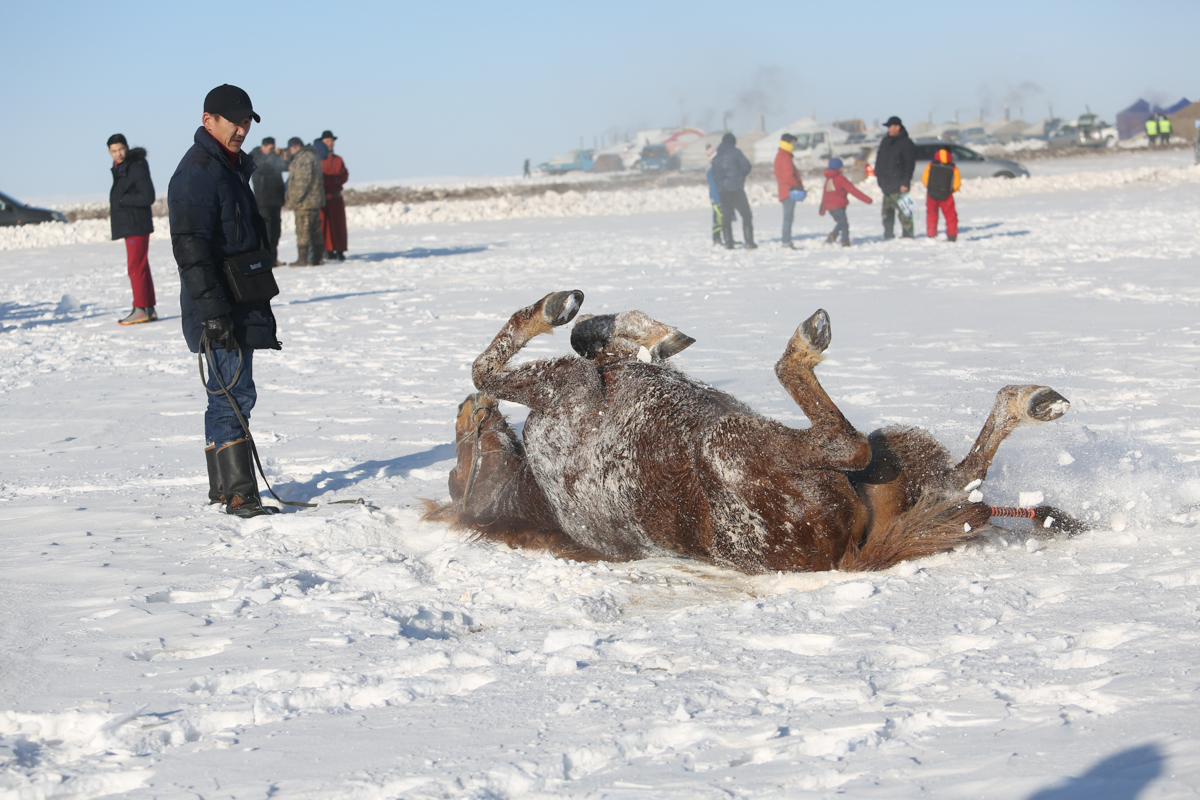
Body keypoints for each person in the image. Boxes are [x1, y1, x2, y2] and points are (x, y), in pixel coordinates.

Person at [168, 84, 279, 518]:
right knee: (233, 394)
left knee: (228, 393)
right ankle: (239, 493)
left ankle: (225, 489)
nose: (242, 128)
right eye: (234, 120)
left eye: (247, 120)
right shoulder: (198, 172)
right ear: (207, 120)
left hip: (239, 298)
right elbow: (190, 249)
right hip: (219, 304)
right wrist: (212, 311)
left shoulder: (228, 167)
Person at [107, 133, 157, 325]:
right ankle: (148, 308)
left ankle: (140, 309)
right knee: (140, 265)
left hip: (136, 224)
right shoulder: (121, 169)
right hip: (132, 224)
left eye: (121, 148)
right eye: (114, 151)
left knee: (135, 267)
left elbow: (148, 196)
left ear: (127, 147)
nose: (118, 153)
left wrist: (122, 200)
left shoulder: (136, 166)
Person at [874, 116, 917, 239]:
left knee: (905, 214)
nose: (889, 129)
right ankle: (888, 235)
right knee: (886, 215)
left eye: (891, 127)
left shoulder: (906, 143)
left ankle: (908, 236)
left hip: (899, 186)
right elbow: (879, 160)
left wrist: (905, 182)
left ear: (898, 127)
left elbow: (909, 165)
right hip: (886, 184)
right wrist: (879, 176)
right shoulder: (885, 141)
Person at [285, 136, 325, 266]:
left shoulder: (303, 158)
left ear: (296, 147)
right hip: (313, 201)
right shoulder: (312, 156)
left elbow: (302, 183)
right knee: (315, 231)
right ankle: (317, 259)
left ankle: (302, 259)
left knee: (303, 231)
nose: (290, 152)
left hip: (304, 203)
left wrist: (294, 200)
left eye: (290, 149)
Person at [712, 132, 755, 249]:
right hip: (736, 189)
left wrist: (721, 183)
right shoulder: (736, 152)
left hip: (723, 191)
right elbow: (747, 166)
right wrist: (740, 176)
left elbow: (714, 175)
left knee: (726, 217)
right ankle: (749, 241)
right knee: (746, 215)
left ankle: (729, 243)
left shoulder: (716, 157)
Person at [819, 157, 873, 247]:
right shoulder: (841, 179)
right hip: (838, 206)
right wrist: (867, 200)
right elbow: (853, 190)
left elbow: (825, 195)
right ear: (839, 168)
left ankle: (832, 237)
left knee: (841, 222)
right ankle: (845, 241)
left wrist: (822, 209)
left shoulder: (828, 180)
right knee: (844, 224)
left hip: (831, 208)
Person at [249, 137, 286, 266]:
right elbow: (262, 168)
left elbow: (286, 166)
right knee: (267, 232)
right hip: (263, 201)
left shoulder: (274, 157)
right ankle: (266, 260)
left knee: (276, 232)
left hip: (276, 200)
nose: (271, 152)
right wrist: (274, 156)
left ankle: (274, 259)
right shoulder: (254, 156)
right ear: (263, 147)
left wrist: (282, 155)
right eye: (269, 149)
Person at [317, 130, 349, 261]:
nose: (329, 144)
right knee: (324, 226)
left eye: (331, 141)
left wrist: (335, 181)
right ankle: (327, 250)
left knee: (338, 226)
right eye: (327, 141)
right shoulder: (318, 160)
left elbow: (344, 175)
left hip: (336, 199)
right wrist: (334, 181)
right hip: (323, 198)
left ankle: (340, 250)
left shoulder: (338, 159)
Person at [921, 147, 961, 242]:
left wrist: (930, 187)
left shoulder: (931, 165)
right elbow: (957, 183)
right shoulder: (953, 167)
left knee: (931, 214)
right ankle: (952, 235)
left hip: (931, 194)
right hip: (946, 195)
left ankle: (931, 234)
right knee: (950, 216)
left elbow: (924, 178)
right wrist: (951, 190)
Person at [774, 133, 805, 249]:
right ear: (787, 143)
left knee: (788, 217)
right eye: (793, 143)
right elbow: (788, 175)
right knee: (788, 218)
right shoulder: (784, 157)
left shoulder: (783, 155)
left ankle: (786, 241)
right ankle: (786, 242)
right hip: (789, 191)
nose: (794, 145)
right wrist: (797, 185)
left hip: (786, 190)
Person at [705, 145, 724, 245]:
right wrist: (718, 202)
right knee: (718, 219)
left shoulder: (714, 166)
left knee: (723, 218)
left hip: (718, 197)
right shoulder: (712, 169)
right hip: (717, 198)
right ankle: (716, 239)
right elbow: (714, 186)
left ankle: (724, 237)